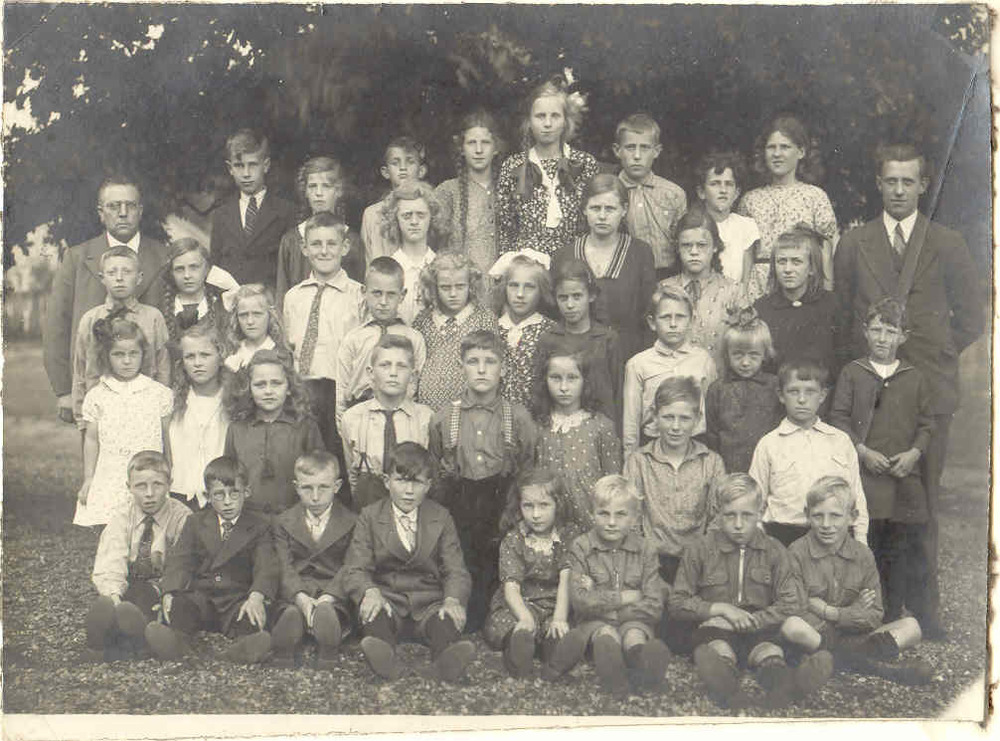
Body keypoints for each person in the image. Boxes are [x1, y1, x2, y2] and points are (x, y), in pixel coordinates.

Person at [833, 143, 983, 640]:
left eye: (908, 182)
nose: (899, 190)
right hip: (870, 393)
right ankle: (874, 605)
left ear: (923, 185)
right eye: (890, 181)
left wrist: (934, 354)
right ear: (879, 184)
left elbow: (972, 317)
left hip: (926, 392)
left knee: (921, 501)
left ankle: (923, 608)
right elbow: (843, 320)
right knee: (873, 500)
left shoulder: (947, 242)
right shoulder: (855, 243)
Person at [668, 473, 828, 709]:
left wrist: (752, 621)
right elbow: (677, 602)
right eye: (730, 515)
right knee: (718, 650)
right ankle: (727, 689)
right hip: (717, 628)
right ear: (717, 512)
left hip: (762, 629)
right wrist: (720, 609)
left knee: (770, 653)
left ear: (760, 512)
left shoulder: (775, 551)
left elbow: (791, 603)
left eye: (747, 515)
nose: (738, 524)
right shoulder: (699, 550)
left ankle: (784, 689)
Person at [829, 298, 935, 631]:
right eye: (876, 330)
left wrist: (914, 453)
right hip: (868, 478)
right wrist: (863, 452)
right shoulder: (853, 372)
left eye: (890, 331)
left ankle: (900, 614)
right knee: (870, 543)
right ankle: (868, 614)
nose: (882, 338)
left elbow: (927, 424)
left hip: (903, 478)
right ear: (865, 331)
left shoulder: (914, 377)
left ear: (903, 336)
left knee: (902, 546)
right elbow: (838, 418)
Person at [429, 330, 537, 633]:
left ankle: (500, 619)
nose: (481, 369)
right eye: (473, 361)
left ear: (503, 368)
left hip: (501, 513)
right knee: (459, 566)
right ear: (461, 365)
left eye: (490, 362)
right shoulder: (443, 418)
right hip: (459, 512)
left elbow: (527, 470)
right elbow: (436, 474)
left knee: (499, 571)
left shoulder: (519, 418)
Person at [779, 476, 932, 686]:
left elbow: (874, 615)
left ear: (852, 517)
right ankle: (878, 668)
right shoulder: (795, 553)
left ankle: (838, 659)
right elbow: (794, 609)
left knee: (912, 627)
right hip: (816, 635)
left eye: (835, 516)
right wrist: (853, 612)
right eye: (818, 516)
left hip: (856, 637)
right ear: (807, 515)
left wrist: (831, 612)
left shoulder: (863, 555)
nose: (826, 525)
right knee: (792, 626)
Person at [343, 442, 476, 683]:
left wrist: (452, 599)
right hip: (387, 599)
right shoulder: (370, 516)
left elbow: (455, 569)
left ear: (428, 485)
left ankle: (444, 661)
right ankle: (385, 660)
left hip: (429, 602)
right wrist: (370, 592)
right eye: (401, 481)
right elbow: (356, 567)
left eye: (417, 482)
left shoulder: (440, 516)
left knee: (445, 623)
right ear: (386, 481)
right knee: (374, 619)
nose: (408, 491)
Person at [44, 175, 171, 424]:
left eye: (130, 205)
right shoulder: (77, 258)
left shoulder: (164, 256)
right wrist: (63, 391)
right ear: (101, 213)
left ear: (140, 211)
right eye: (113, 206)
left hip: (151, 388)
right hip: (96, 389)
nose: (123, 213)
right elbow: (56, 326)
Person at [144, 456, 278, 665]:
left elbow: (265, 565)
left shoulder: (259, 525)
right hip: (203, 596)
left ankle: (242, 649)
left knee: (252, 618)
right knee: (180, 607)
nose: (227, 502)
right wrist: (170, 591)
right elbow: (180, 560)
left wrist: (256, 596)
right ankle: (178, 645)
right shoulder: (196, 522)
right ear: (208, 496)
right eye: (219, 495)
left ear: (247, 492)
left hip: (237, 599)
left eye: (234, 493)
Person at [555, 475, 671, 697]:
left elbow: (654, 604)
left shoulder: (646, 549)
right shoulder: (581, 547)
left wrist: (613, 611)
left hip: (634, 620)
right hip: (595, 623)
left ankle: (644, 669)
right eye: (603, 513)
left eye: (620, 514)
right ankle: (614, 676)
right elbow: (580, 600)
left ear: (635, 518)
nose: (611, 522)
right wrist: (625, 597)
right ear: (592, 514)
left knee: (634, 634)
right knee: (606, 635)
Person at [748, 359, 868, 547]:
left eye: (810, 392)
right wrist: (762, 543)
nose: (802, 400)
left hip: (833, 536)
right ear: (781, 395)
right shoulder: (769, 444)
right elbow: (754, 501)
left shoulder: (840, 441)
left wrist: (861, 540)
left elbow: (856, 496)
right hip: (783, 537)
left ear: (822, 395)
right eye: (793, 391)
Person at [86, 451, 192, 662]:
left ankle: (128, 640)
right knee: (121, 603)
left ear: (169, 484)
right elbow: (112, 558)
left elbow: (185, 562)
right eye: (141, 486)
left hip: (167, 586)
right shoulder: (122, 517)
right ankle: (109, 639)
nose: (149, 493)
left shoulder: (182, 517)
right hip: (132, 584)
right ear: (129, 487)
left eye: (157, 485)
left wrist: (169, 591)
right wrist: (114, 596)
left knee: (176, 610)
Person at [624, 377, 726, 592]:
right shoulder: (639, 461)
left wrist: (701, 559)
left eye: (684, 418)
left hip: (699, 561)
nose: (676, 427)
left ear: (698, 419)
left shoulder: (711, 461)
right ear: (654, 415)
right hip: (652, 562)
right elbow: (632, 518)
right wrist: (646, 565)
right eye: (668, 417)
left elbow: (718, 517)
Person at [75, 318, 174, 527]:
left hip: (148, 473)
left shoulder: (159, 394)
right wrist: (89, 478)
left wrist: (170, 471)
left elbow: (168, 438)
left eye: (133, 354)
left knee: (149, 527)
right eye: (118, 354)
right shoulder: (98, 395)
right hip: (111, 473)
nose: (127, 361)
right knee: (112, 529)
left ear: (143, 354)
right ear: (106, 356)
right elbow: (91, 440)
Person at [283, 211, 365, 455]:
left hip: (339, 393)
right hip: (301, 392)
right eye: (316, 244)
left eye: (332, 244)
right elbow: (289, 347)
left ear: (345, 247)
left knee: (337, 458)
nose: (324, 251)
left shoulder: (359, 295)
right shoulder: (293, 297)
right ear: (304, 248)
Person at [552, 173, 657, 363]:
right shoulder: (564, 256)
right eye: (595, 208)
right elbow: (555, 315)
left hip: (628, 354)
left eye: (610, 209)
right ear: (584, 209)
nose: (602, 216)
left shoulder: (640, 253)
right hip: (575, 358)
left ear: (624, 210)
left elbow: (649, 313)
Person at [483, 469, 576, 677]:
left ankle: (554, 656)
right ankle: (518, 655)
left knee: (558, 631)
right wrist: (525, 618)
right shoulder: (514, 539)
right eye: (528, 506)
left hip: (554, 605)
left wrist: (559, 618)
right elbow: (511, 587)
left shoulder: (568, 535)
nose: (535, 515)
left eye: (544, 505)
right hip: (521, 604)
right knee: (511, 627)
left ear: (558, 505)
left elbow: (566, 581)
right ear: (519, 506)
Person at [270, 451, 358, 669]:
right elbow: (284, 565)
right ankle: (287, 638)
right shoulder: (282, 522)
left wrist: (328, 598)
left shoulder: (353, 522)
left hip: (333, 592)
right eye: (307, 488)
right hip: (297, 590)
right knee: (288, 610)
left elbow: (351, 565)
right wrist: (300, 597)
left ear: (337, 486)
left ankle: (329, 641)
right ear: (296, 487)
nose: (316, 497)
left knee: (335, 612)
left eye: (323, 487)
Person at [496, 77, 600, 256]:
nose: (547, 124)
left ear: (565, 121)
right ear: (529, 121)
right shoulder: (513, 166)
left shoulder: (584, 164)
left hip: (574, 262)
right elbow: (505, 228)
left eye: (555, 116)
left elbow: (595, 223)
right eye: (540, 116)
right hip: (527, 265)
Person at [737, 115, 837, 301]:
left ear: (801, 152)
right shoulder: (750, 200)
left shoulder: (815, 197)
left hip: (802, 288)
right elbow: (746, 254)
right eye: (771, 147)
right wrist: (742, 294)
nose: (777, 154)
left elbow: (826, 252)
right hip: (758, 288)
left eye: (785, 147)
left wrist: (827, 296)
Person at [71, 245, 171, 425]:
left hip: (145, 413)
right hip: (103, 415)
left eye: (127, 271)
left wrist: (161, 413)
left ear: (139, 277)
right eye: (112, 272)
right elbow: (81, 371)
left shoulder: (153, 317)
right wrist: (82, 421)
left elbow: (163, 368)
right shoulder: (90, 319)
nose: (119, 278)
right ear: (102, 278)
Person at [224, 349, 324, 516]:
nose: (268, 391)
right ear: (248, 389)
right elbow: (230, 478)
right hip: (249, 518)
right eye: (260, 385)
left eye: (276, 383)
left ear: (289, 387)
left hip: (294, 518)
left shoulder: (305, 427)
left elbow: (319, 477)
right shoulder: (237, 429)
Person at [340, 334, 434, 510]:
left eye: (401, 366)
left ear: (413, 375)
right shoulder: (352, 418)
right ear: (371, 373)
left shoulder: (426, 418)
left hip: (412, 506)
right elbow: (351, 473)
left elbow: (431, 474)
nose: (393, 373)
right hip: (367, 506)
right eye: (385, 365)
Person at [533, 348, 622, 531]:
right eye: (556, 378)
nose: (564, 387)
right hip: (549, 524)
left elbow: (613, 483)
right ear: (544, 381)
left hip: (590, 523)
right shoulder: (537, 427)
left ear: (585, 381)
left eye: (572, 378)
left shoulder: (601, 426)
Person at [622, 285, 716, 456]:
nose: (673, 324)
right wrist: (630, 459)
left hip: (695, 446)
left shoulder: (704, 360)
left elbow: (712, 414)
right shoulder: (638, 364)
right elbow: (631, 420)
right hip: (652, 446)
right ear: (652, 322)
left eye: (680, 317)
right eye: (665, 317)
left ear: (691, 320)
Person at [335, 256, 427, 427]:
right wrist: (345, 429)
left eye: (391, 294)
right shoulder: (353, 339)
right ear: (364, 292)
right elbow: (342, 391)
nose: (383, 302)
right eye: (377, 293)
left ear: (402, 295)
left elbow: (416, 387)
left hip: (401, 418)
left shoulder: (414, 338)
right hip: (360, 419)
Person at [754, 224, 841, 390]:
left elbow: (841, 362)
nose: (788, 269)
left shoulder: (831, 305)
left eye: (796, 262)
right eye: (782, 262)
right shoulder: (762, 309)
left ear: (811, 268)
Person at [538, 258, 621, 426]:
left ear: (591, 295)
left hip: (602, 428)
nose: (570, 305)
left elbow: (618, 392)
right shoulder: (549, 339)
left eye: (577, 296)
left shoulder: (607, 339)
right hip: (560, 428)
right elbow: (541, 394)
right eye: (563, 298)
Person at [659, 205, 744, 369]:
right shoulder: (664, 289)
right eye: (686, 245)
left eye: (702, 245)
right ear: (677, 248)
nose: (694, 252)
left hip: (719, 377)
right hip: (674, 378)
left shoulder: (733, 291)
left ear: (715, 247)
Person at [412, 252, 498, 411]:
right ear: (434, 287)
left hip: (469, 411)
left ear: (470, 285)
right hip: (427, 411)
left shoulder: (484, 320)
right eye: (445, 287)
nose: (453, 294)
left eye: (460, 287)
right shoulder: (423, 320)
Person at [209, 128, 295, 286]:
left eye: (253, 165)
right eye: (239, 166)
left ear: (266, 165)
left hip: (269, 298)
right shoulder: (221, 214)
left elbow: (291, 267)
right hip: (230, 299)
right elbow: (215, 267)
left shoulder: (286, 212)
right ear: (230, 169)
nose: (246, 174)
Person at [704, 307, 783, 473]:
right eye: (738, 355)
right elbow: (712, 435)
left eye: (753, 355)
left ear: (765, 354)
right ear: (727, 354)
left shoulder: (774, 386)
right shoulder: (717, 389)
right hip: (728, 468)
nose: (745, 363)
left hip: (767, 468)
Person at [276, 155, 364, 300]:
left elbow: (359, 292)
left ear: (338, 191)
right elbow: (282, 292)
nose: (318, 193)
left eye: (326, 186)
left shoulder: (351, 240)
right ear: (305, 191)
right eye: (312, 186)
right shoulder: (291, 240)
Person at [612, 113, 687, 280]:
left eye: (645, 148)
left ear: (656, 151)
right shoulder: (609, 193)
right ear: (617, 151)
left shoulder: (674, 194)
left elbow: (684, 243)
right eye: (630, 147)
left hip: (668, 276)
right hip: (623, 278)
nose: (637, 156)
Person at [168, 322, 232, 510]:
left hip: (223, 495)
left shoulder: (234, 401)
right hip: (180, 494)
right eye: (190, 356)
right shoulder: (173, 401)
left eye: (205, 355)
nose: (197, 363)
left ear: (220, 356)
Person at [435, 110, 505, 274]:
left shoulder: (507, 189)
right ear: (461, 148)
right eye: (471, 143)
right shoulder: (447, 192)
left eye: (485, 142)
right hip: (461, 282)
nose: (478, 150)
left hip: (504, 283)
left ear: (496, 148)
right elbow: (436, 244)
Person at [491, 251, 556, 410]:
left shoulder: (551, 331)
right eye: (514, 286)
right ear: (504, 288)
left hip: (536, 416)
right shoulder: (492, 328)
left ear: (541, 290)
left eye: (529, 287)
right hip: (497, 416)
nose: (520, 294)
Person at [694, 150, 761, 287]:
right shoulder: (694, 226)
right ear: (701, 192)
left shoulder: (746, 226)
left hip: (735, 295)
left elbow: (745, 279)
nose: (723, 190)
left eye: (729, 184)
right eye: (715, 183)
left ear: (736, 193)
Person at [360, 136, 429, 265]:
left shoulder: (428, 210)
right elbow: (369, 259)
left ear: (421, 171)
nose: (403, 168)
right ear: (385, 172)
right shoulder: (372, 214)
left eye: (410, 162)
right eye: (395, 163)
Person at [381, 181, 442, 325]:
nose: (414, 222)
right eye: (407, 216)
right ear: (395, 219)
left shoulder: (441, 266)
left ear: (431, 217)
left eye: (421, 215)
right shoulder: (388, 269)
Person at [159, 238, 230, 347]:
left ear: (206, 269)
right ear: (171, 273)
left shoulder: (222, 307)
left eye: (194, 267)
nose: (187, 275)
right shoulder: (161, 311)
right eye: (179, 269)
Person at [224, 284, 289, 373]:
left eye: (257, 314)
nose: (250, 321)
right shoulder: (231, 352)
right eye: (243, 315)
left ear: (270, 316)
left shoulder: (281, 355)